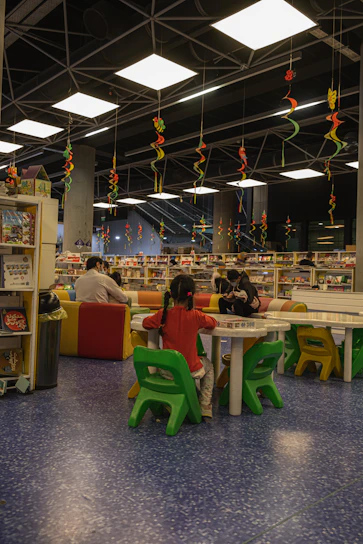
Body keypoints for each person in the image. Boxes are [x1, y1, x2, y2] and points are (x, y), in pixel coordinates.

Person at [143, 274, 217, 418]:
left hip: (166, 371)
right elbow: (212, 323)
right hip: (189, 370)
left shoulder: (163, 315)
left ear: (171, 295)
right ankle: (205, 405)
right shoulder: (196, 315)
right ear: (191, 295)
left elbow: (146, 323)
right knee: (209, 366)